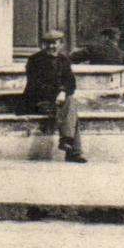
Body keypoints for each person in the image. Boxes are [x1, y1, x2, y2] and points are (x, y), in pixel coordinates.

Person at [22, 29, 86, 163]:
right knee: (71, 110)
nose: (52, 47)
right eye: (48, 44)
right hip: (39, 101)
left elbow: (71, 83)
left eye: (55, 43)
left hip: (59, 101)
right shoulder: (35, 60)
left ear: (61, 44)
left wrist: (62, 92)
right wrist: (56, 94)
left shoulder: (64, 60)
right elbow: (35, 84)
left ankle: (68, 144)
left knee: (70, 105)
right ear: (43, 45)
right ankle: (72, 149)